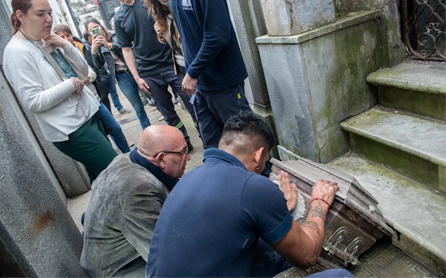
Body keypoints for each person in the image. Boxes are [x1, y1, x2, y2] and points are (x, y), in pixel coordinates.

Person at [146, 112, 353, 277]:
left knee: (267, 247)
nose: (263, 168)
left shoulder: (189, 179)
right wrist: (319, 203)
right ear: (257, 155)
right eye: (264, 163)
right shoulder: (254, 187)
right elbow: (307, 256)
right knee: (341, 276)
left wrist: (277, 210)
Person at [4, 0, 118, 183]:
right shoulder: (16, 52)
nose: (49, 19)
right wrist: (71, 84)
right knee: (118, 171)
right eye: (41, 14)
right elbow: (33, 101)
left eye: (49, 12)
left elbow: (82, 71)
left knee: (101, 180)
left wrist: (66, 45)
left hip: (87, 114)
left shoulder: (44, 39)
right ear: (21, 16)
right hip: (71, 129)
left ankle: (97, 215)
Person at [80, 124, 191, 277]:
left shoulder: (125, 159)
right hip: (118, 270)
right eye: (182, 152)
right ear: (161, 159)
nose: (188, 157)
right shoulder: (139, 190)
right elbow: (162, 255)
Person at [102, 0, 197, 151]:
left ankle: (206, 137)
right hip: (148, 72)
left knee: (193, 104)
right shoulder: (119, 18)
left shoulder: (149, 0)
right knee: (168, 115)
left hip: (171, 63)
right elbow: (126, 49)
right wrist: (137, 77)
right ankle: (184, 143)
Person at [167, 0, 253, 149]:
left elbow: (218, 34)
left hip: (223, 81)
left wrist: (193, 72)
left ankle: (265, 176)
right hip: (200, 85)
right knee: (214, 151)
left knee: (246, 145)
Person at [54, 24, 134, 153]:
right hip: (83, 102)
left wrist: (91, 77)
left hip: (97, 96)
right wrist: (79, 81)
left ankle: (128, 155)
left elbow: (92, 70)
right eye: (62, 37)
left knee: (114, 127)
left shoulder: (82, 47)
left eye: (67, 35)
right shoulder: (59, 56)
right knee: (102, 135)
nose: (66, 38)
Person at [85, 17, 152, 130]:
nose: (95, 30)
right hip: (122, 77)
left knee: (154, 98)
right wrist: (94, 51)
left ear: (100, 26)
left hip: (136, 70)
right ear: (89, 33)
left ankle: (168, 123)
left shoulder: (114, 34)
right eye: (92, 30)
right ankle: (149, 132)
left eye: (96, 27)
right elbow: (99, 65)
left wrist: (108, 44)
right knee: (138, 107)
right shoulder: (95, 45)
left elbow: (126, 48)